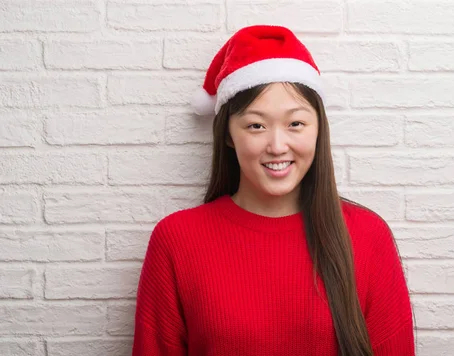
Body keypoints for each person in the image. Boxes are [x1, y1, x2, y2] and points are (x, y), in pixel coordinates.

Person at [132, 24, 414, 356]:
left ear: (318, 129)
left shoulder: (368, 235)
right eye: (256, 126)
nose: (277, 146)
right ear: (228, 135)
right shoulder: (177, 240)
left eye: (296, 123)